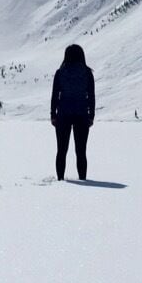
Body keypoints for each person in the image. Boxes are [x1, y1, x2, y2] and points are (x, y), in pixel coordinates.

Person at [50, 43, 95, 181]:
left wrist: (53, 114)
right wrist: (91, 115)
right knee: (81, 152)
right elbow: (91, 95)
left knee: (61, 151)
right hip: (82, 115)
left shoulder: (60, 72)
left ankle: (60, 179)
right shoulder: (87, 73)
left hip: (63, 114)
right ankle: (82, 178)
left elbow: (55, 95)